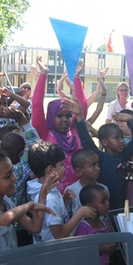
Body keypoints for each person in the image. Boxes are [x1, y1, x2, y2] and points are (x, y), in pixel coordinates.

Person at [0, 150, 57, 265]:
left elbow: (35, 227)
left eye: (12, 172)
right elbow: (6, 219)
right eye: (7, 176)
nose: (14, 178)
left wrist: (42, 194)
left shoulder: (6, 202)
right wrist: (30, 205)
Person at [64, 97, 133, 210]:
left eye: (122, 137)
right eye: (116, 138)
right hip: (103, 207)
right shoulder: (99, 158)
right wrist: (80, 116)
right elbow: (86, 141)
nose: (121, 141)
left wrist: (130, 120)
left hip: (121, 206)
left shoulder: (124, 155)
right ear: (105, 142)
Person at [32, 57, 88, 193]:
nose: (65, 119)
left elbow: (83, 106)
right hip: (54, 197)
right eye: (59, 115)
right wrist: (43, 74)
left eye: (68, 115)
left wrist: (76, 78)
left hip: (79, 194)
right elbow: (37, 105)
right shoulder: (45, 132)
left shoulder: (74, 131)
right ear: (51, 117)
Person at [27, 140, 96, 243]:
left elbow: (53, 216)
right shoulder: (49, 198)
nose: (64, 169)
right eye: (61, 165)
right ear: (51, 170)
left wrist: (65, 201)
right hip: (55, 254)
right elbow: (59, 234)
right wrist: (80, 213)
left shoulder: (47, 190)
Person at [74, 184, 116, 265]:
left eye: (107, 199)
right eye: (103, 201)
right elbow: (80, 251)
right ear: (89, 206)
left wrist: (112, 246)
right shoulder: (83, 227)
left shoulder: (104, 223)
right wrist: (100, 249)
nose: (108, 203)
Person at [65, 149, 108, 217]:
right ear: (79, 171)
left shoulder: (103, 189)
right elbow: (67, 214)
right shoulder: (71, 191)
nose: (98, 168)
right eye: (93, 166)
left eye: (98, 164)